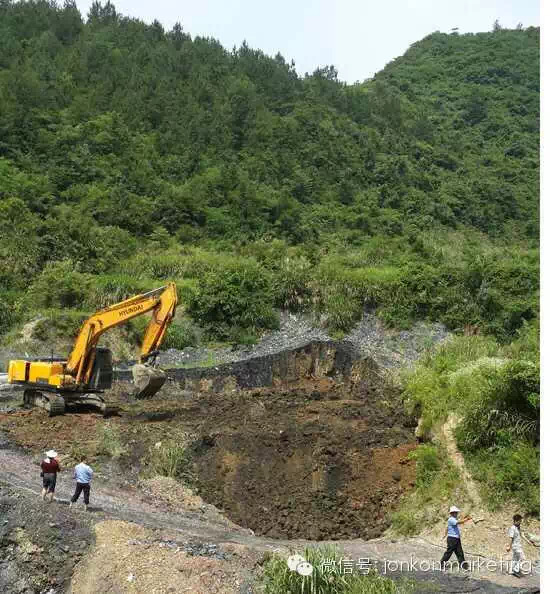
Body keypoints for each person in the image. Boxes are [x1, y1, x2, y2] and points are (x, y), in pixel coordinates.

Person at [440, 505, 472, 570]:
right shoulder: (451, 519)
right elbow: (458, 522)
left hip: (456, 538)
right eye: (456, 512)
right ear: (452, 513)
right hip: (452, 539)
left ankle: (464, 566)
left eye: (457, 512)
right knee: (449, 552)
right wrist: (466, 519)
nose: (457, 513)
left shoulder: (453, 519)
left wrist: (445, 534)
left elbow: (447, 527)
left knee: (460, 552)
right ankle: (442, 563)